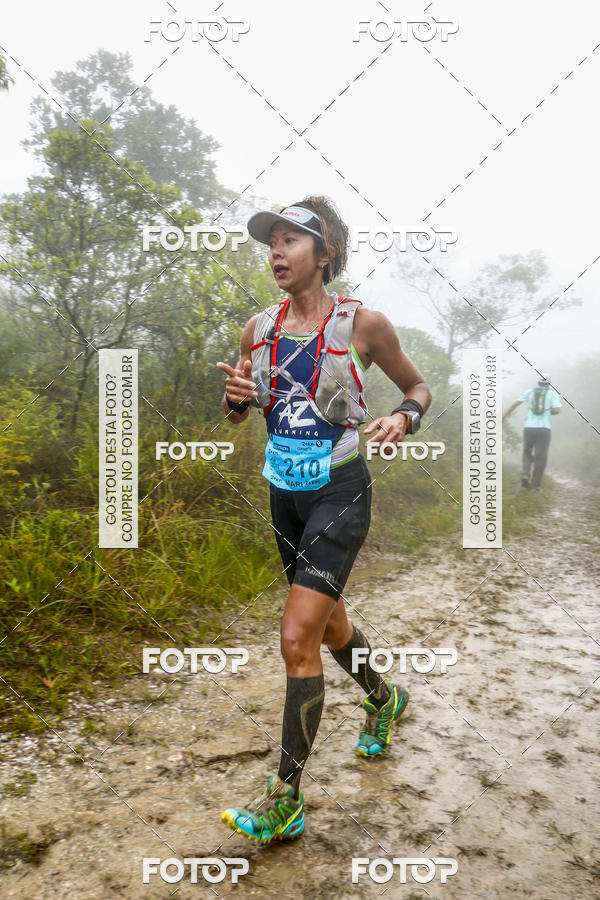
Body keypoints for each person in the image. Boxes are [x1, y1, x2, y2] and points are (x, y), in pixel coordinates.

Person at [215, 196, 431, 844]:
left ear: (326, 252)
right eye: (270, 242)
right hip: (285, 493)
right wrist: (234, 401)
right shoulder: (260, 327)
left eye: (290, 240)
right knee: (329, 624)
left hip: (340, 491)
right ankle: (384, 698)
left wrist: (402, 417)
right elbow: (241, 409)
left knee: (294, 637)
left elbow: (417, 387)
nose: (276, 252)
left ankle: (285, 798)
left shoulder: (363, 324)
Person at [503, 374, 561, 490]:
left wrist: (503, 417)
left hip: (529, 428)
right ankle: (535, 486)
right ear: (549, 384)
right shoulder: (553, 394)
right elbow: (557, 410)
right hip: (544, 429)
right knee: (541, 457)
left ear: (538, 383)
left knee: (527, 452)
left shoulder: (530, 392)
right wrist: (548, 411)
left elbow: (514, 405)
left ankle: (525, 474)